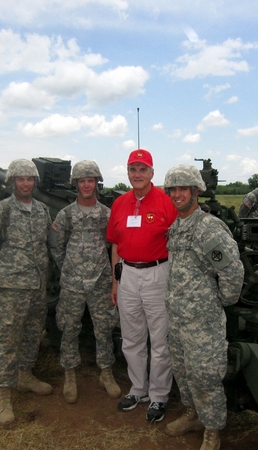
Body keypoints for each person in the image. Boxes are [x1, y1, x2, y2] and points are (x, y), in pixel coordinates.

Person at [162, 165, 244, 450]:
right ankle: (193, 414)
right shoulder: (177, 225)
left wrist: (218, 303)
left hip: (203, 322)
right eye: (173, 189)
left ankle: (212, 430)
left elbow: (232, 272)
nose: (177, 194)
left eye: (183, 189)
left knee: (205, 375)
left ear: (195, 191)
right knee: (183, 371)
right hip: (178, 318)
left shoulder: (207, 227)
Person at [0, 159, 53, 427]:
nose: (25, 183)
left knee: (33, 333)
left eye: (30, 179)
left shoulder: (42, 211)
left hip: (37, 286)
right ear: (12, 182)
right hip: (11, 289)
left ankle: (25, 376)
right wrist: (3, 273)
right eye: (20, 179)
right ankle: (4, 395)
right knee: (8, 342)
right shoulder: (2, 211)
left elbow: (47, 244)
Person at [106, 149, 178, 423]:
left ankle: (159, 395)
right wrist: (116, 281)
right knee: (132, 337)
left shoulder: (166, 202)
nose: (137, 174)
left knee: (160, 339)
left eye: (143, 169)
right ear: (127, 173)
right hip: (127, 274)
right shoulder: (120, 203)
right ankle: (139, 389)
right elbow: (115, 244)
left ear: (152, 172)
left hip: (157, 273)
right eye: (133, 169)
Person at [48, 160, 121, 404]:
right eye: (82, 181)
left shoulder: (106, 214)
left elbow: (114, 247)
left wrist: (110, 278)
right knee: (69, 327)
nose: (87, 185)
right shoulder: (66, 214)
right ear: (76, 184)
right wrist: (70, 270)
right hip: (72, 283)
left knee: (104, 328)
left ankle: (106, 373)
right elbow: (57, 247)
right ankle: (70, 374)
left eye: (91, 180)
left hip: (100, 281)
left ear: (96, 183)